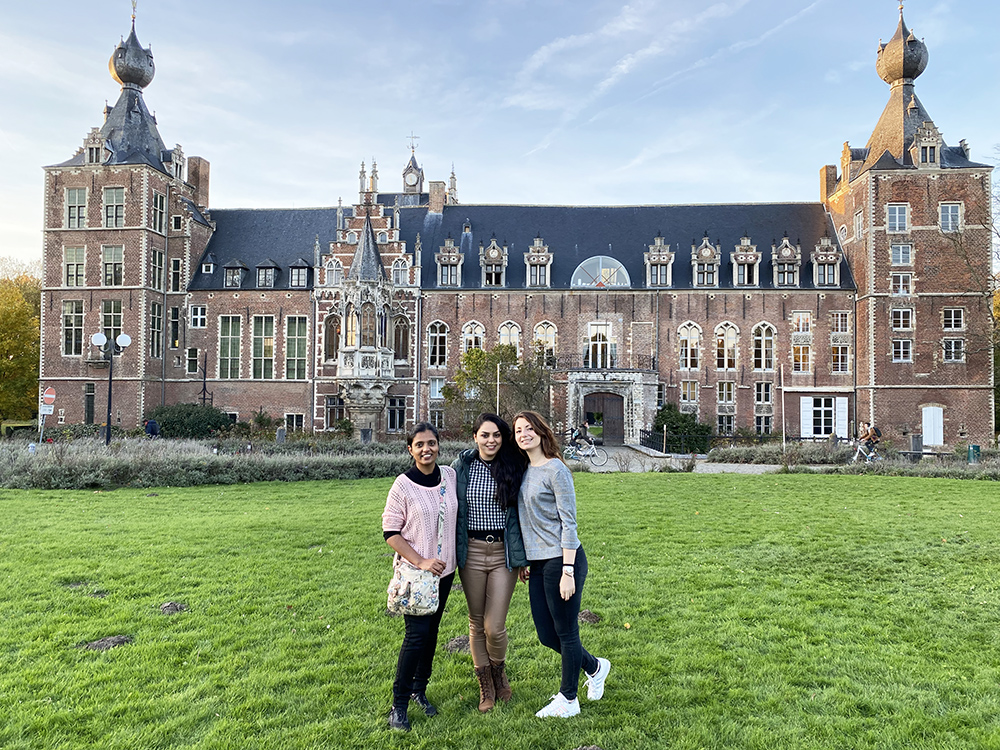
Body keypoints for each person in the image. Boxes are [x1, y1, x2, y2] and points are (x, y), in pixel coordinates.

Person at [512, 410, 610, 719]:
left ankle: (568, 699)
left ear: (542, 432)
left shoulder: (556, 470)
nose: (524, 433)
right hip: (538, 563)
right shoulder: (522, 469)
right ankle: (595, 667)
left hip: (562, 560)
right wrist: (525, 558)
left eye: (529, 428)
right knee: (546, 634)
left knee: (567, 632)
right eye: (518, 430)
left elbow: (569, 524)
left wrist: (568, 571)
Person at [381, 422, 459, 732]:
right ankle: (398, 704)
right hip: (416, 573)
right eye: (420, 445)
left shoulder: (449, 477)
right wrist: (421, 560)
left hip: (446, 572)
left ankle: (419, 689)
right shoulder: (403, 485)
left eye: (432, 443)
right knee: (415, 637)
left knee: (431, 633)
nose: (427, 449)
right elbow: (391, 532)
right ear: (411, 449)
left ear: (439, 445)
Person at [452, 413, 528, 712]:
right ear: (475, 437)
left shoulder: (513, 466)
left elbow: (523, 515)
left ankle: (498, 670)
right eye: (485, 435)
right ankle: (485, 683)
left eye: (496, 435)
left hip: (502, 553)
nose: (491, 440)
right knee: (476, 621)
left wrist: (523, 559)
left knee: (494, 626)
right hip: (471, 551)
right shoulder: (463, 467)